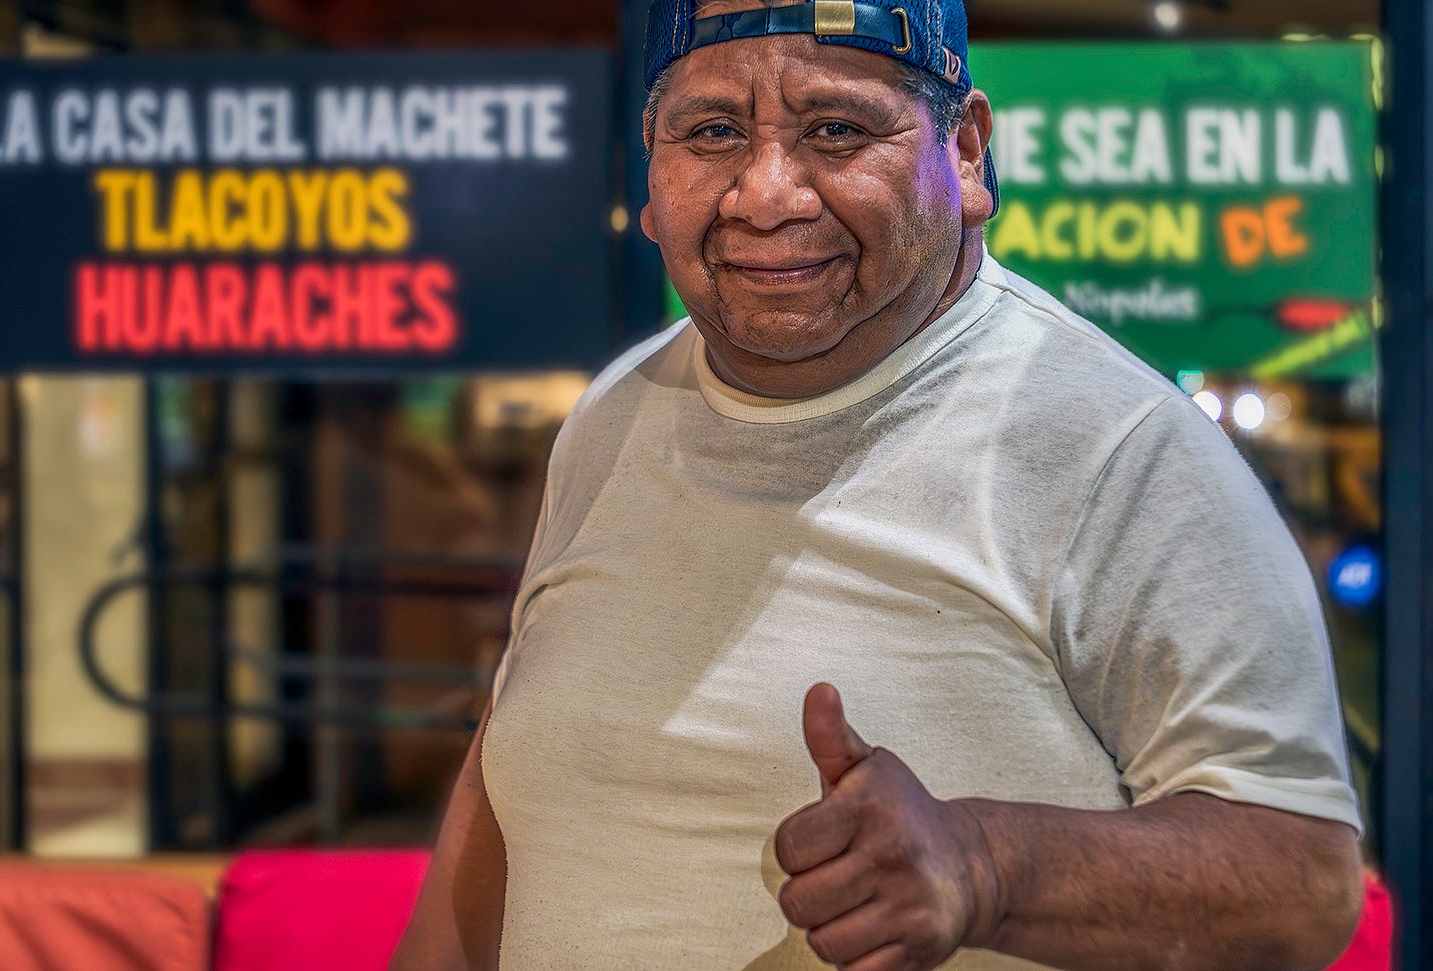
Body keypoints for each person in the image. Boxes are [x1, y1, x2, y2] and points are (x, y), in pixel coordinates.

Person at [391, 1, 1365, 968]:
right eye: (713, 132)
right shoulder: (615, 411)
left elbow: (1303, 879)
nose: (766, 196)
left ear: (966, 154)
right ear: (649, 172)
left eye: (837, 130)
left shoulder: (1118, 445)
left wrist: (986, 865)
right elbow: (505, 784)